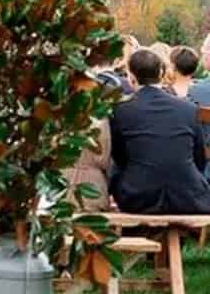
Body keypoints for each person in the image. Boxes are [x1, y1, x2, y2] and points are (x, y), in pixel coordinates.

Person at [109, 47, 210, 214]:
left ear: (131, 77)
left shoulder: (121, 111)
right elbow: (198, 156)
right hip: (188, 196)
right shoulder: (188, 108)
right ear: (161, 73)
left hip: (138, 196)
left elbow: (119, 157)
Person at [65, 116, 111, 212]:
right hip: (92, 183)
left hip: (63, 180)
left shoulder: (58, 117)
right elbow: (103, 160)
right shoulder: (100, 120)